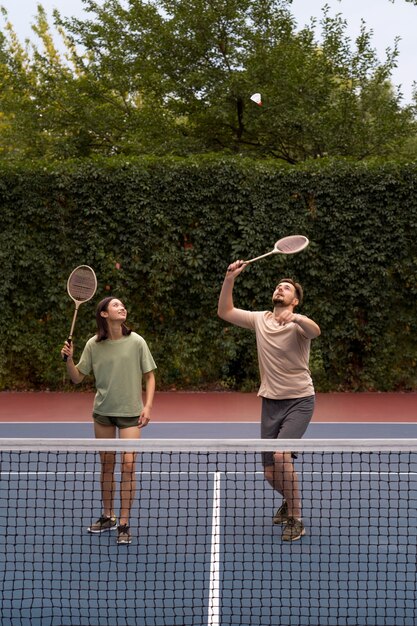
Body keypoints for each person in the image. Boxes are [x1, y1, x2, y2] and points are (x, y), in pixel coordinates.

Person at [218, 262, 320, 541]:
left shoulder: (299, 325)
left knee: (280, 455)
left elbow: (315, 331)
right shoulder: (260, 319)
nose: (280, 289)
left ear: (294, 300)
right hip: (270, 402)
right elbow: (225, 312)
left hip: (300, 399)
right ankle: (289, 498)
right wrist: (230, 279)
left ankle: (296, 518)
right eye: (278, 286)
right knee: (269, 473)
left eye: (286, 288)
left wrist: (296, 318)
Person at [61, 296, 156, 545]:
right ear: (104, 314)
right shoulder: (93, 345)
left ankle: (124, 522)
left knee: (128, 465)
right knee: (106, 465)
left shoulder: (137, 342)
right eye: (115, 305)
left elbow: (150, 376)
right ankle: (108, 515)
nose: (122, 307)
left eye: (123, 304)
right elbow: (77, 378)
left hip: (130, 414)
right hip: (103, 412)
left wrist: (147, 406)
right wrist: (69, 359)